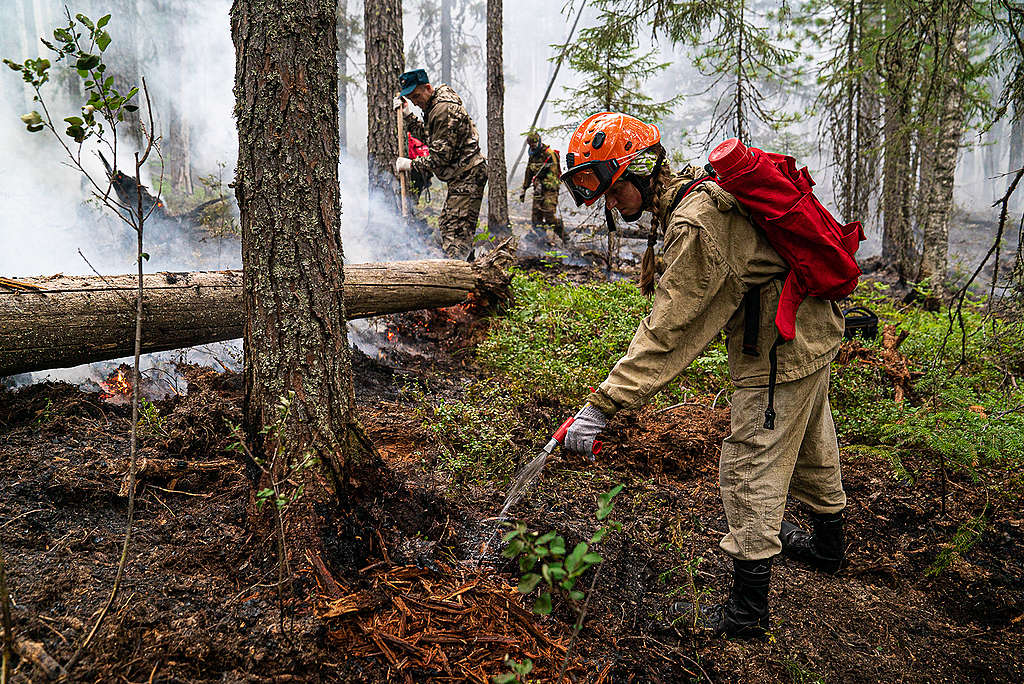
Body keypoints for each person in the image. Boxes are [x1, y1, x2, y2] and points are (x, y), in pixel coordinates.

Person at [558, 112, 848, 638]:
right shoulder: (695, 193)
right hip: (811, 328)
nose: (607, 200)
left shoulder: (695, 226)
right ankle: (829, 547)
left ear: (641, 171)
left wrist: (599, 408)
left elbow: (667, 334)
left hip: (780, 346)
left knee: (750, 465)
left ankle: (746, 613)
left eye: (612, 186)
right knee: (809, 440)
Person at [394, 69, 487, 261]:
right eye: (411, 99)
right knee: (451, 226)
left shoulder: (443, 110)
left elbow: (440, 157)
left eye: (417, 96)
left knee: (454, 233)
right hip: (463, 174)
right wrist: (408, 116)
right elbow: (432, 138)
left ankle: (458, 281)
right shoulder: (435, 106)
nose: (415, 101)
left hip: (468, 173)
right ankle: (468, 275)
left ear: (428, 87)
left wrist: (411, 165)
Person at [519, 131, 564, 241]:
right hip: (538, 190)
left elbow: (553, 175)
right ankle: (542, 240)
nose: (533, 147)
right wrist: (524, 189)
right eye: (530, 145)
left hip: (550, 190)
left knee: (549, 216)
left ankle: (565, 238)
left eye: (534, 144)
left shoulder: (549, 154)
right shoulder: (533, 155)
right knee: (536, 218)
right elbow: (529, 172)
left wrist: (542, 184)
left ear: (539, 142)